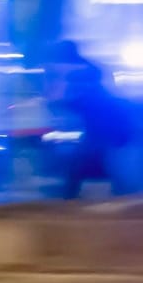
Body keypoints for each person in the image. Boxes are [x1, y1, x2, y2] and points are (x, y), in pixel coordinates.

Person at [44, 41, 132, 200]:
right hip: (107, 134)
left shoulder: (81, 73)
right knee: (97, 167)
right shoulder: (88, 72)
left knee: (87, 166)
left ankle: (73, 198)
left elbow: (76, 101)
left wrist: (58, 102)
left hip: (103, 134)